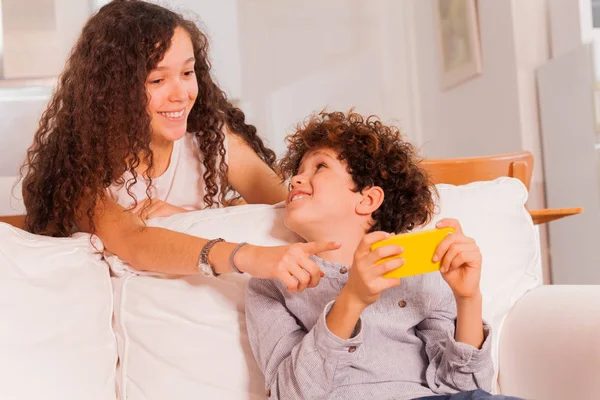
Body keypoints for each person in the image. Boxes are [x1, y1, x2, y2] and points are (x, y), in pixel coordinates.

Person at [19, 0, 338, 290]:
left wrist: (194, 215)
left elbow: (291, 208)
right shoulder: (83, 168)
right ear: (113, 91)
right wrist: (247, 256)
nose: (181, 93)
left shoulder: (213, 142)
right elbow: (134, 242)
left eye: (187, 72)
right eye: (158, 80)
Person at [245, 111, 523, 400]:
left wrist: (468, 300)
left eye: (320, 167)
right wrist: (352, 299)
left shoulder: (421, 276)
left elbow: (467, 391)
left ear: (368, 200)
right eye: (298, 171)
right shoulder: (270, 283)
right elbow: (288, 394)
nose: (296, 180)